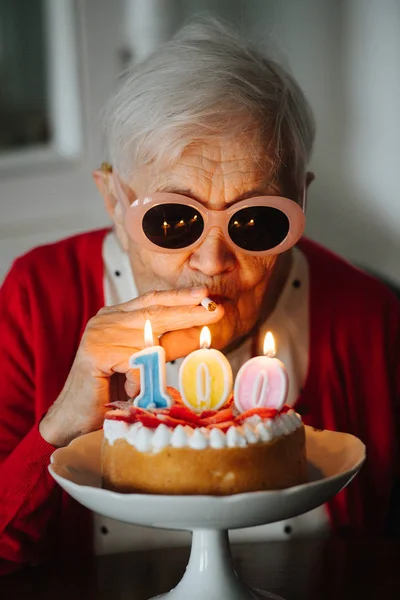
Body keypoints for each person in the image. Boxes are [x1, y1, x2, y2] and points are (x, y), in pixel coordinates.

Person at [0, 17, 399, 575]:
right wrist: (63, 423)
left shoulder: (369, 315)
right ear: (114, 200)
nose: (213, 262)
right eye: (172, 220)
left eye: (257, 220)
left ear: (300, 200)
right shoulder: (38, 296)